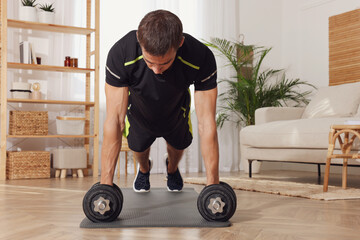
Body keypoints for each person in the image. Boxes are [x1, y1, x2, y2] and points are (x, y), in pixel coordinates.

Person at [100, 9, 219, 192]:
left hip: (176, 110)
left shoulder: (200, 57)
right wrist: (105, 187)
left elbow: (206, 122)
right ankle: (144, 169)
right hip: (139, 111)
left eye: (164, 63)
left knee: (179, 145)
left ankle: (171, 171)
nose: (156, 70)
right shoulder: (121, 53)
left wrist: (214, 187)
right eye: (150, 62)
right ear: (140, 41)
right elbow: (114, 121)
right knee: (138, 148)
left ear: (179, 43)